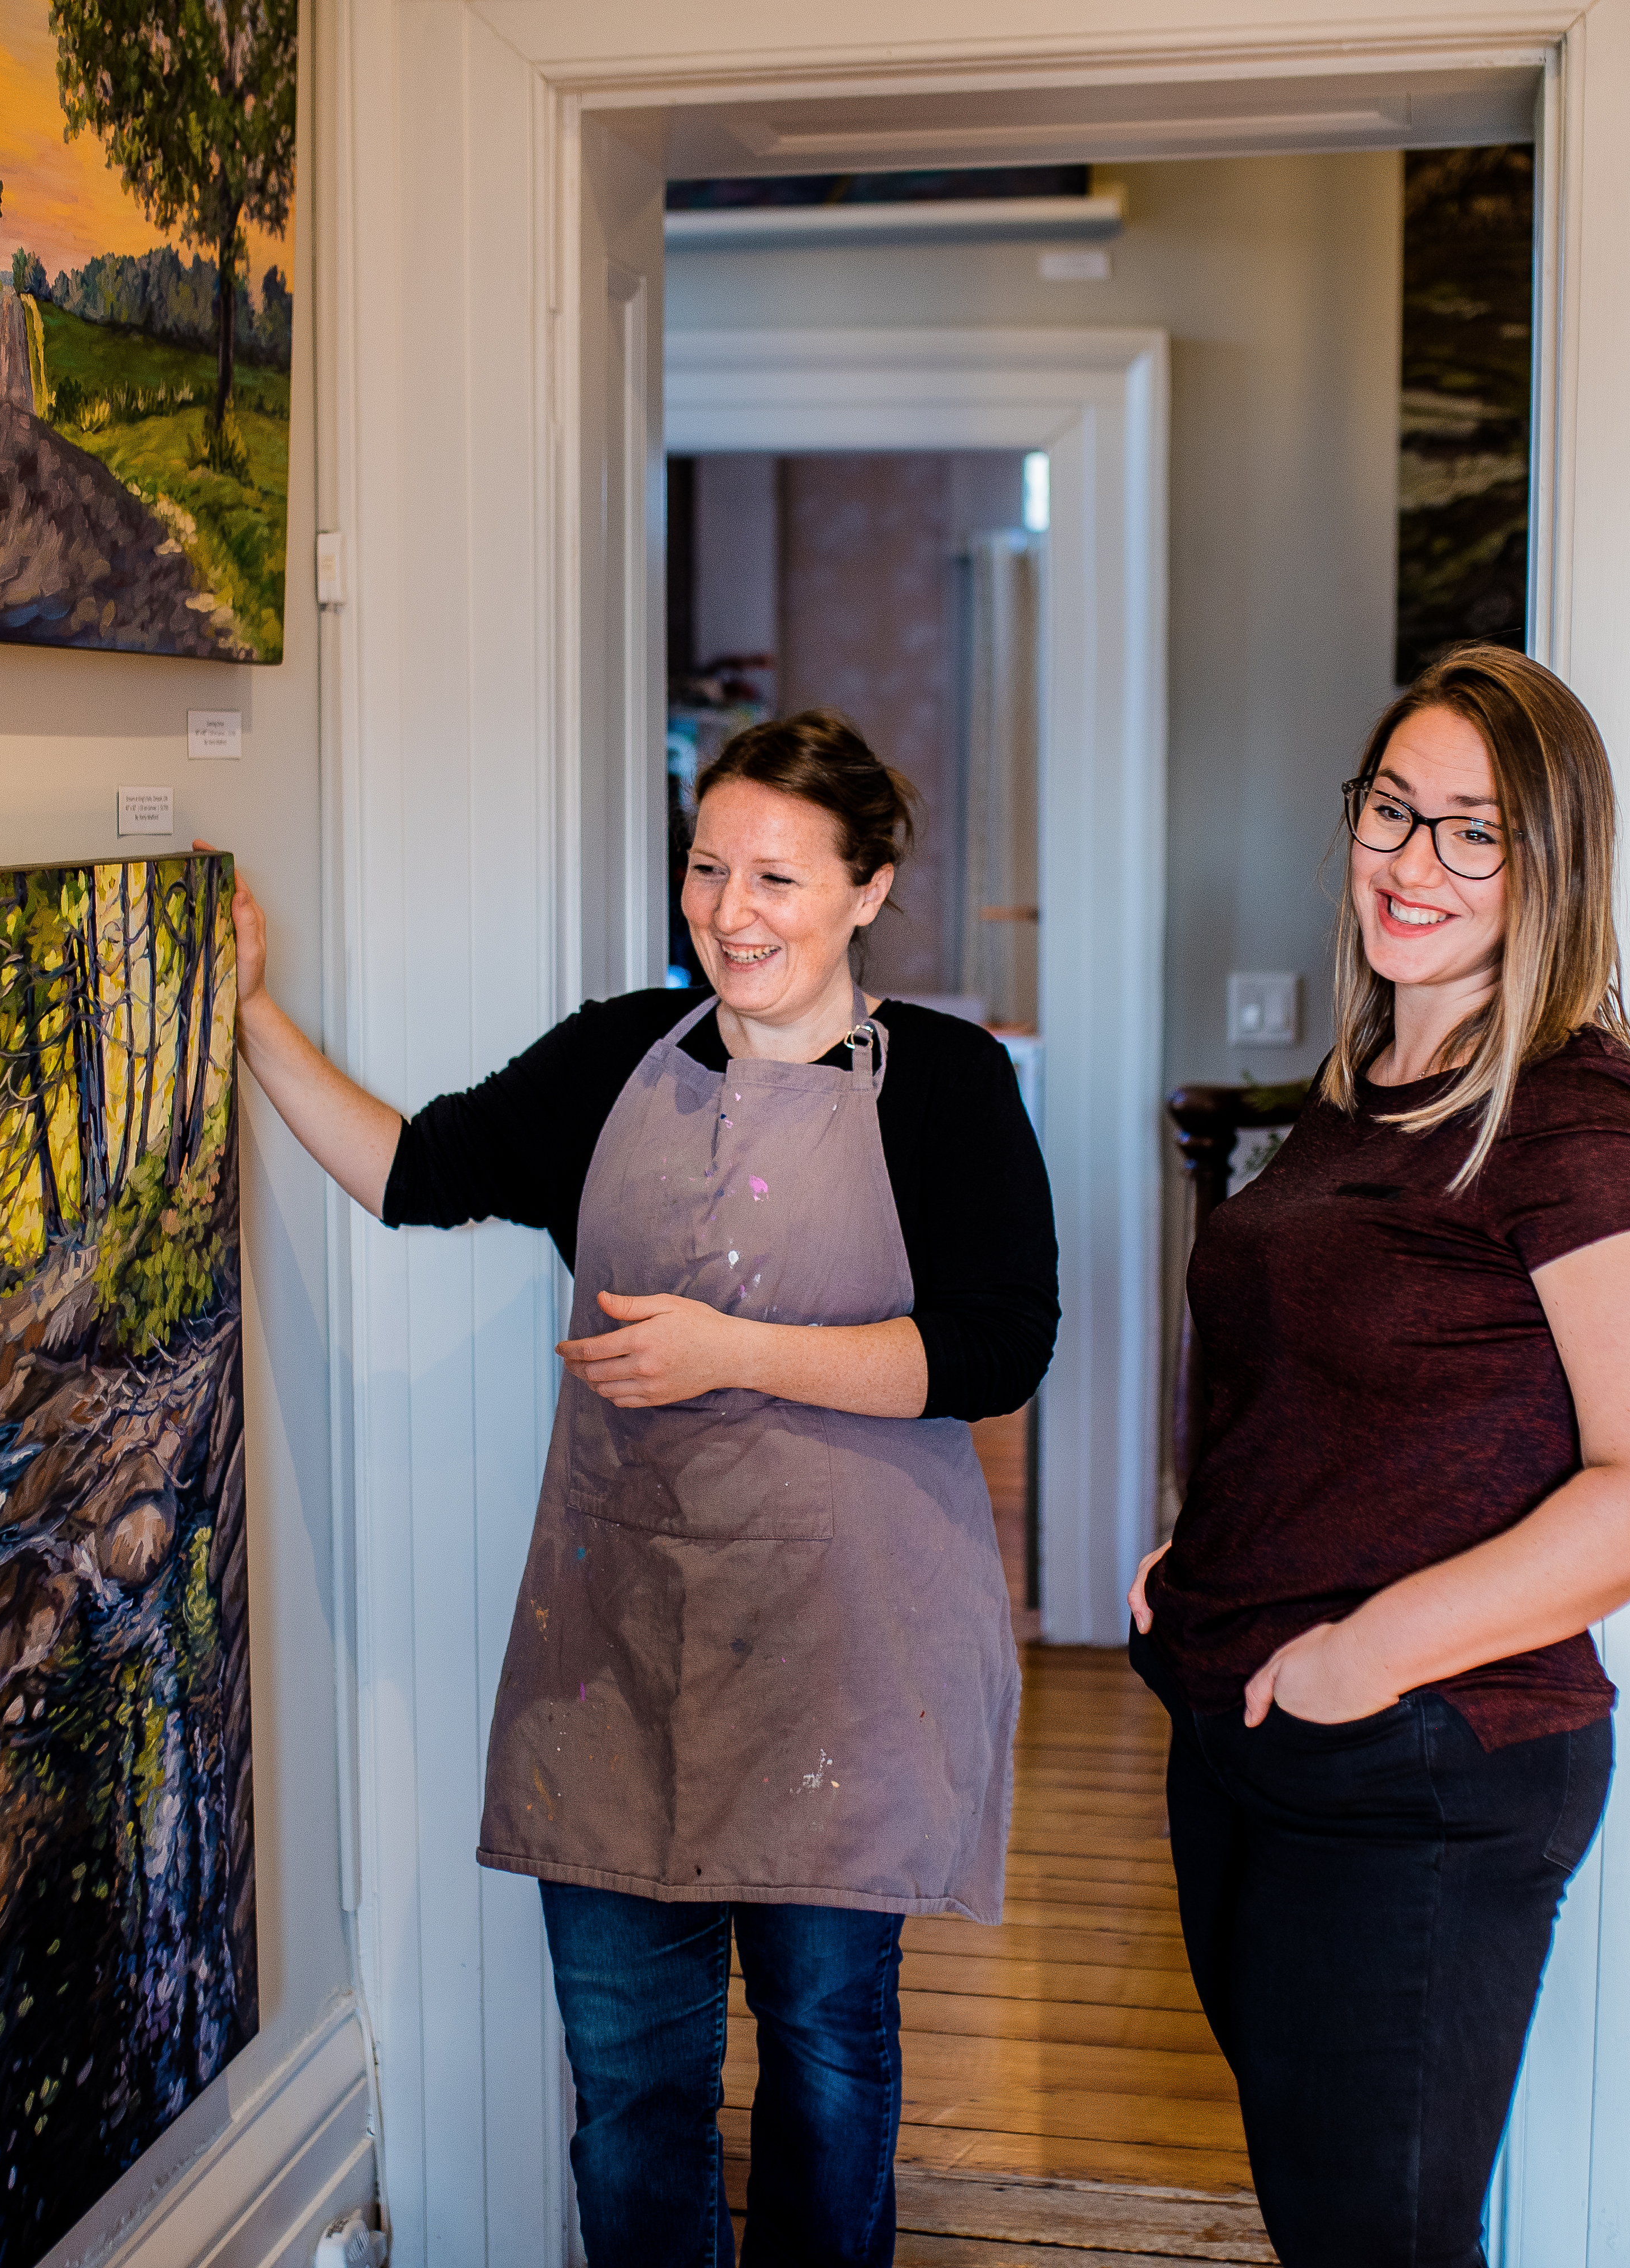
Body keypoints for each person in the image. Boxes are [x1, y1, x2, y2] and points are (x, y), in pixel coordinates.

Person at [215, 707, 1056, 2267]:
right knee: (633, 2090)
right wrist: (252, 1014)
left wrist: (734, 1352)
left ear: (870, 891)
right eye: (708, 869)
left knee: (824, 2063)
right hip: (615, 1664)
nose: (732, 913)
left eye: (780, 880)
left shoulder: (945, 1085)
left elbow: (997, 1351)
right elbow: (416, 1172)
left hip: (839, 1668)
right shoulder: (618, 1057)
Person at [1128, 644, 1630, 2265]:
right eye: (1393, 811)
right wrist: (1207, 1552)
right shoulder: (1376, 1087)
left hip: (1418, 1768)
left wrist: (1367, 1656)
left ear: (1553, 863)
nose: (1416, 863)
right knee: (1330, 2223)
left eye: (1476, 829)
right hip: (1256, 1735)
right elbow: (1330, 1387)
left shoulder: (1585, 1125)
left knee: (1377, 2246)